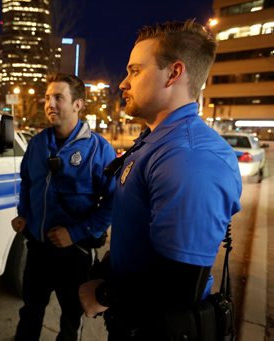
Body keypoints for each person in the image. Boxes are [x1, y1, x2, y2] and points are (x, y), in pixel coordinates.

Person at [78, 20, 242, 340]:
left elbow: (178, 283)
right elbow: (139, 232)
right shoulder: (157, 141)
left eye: (135, 71)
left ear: (174, 73)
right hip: (135, 320)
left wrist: (103, 295)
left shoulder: (190, 157)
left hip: (158, 329)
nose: (123, 83)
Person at [11, 72, 116, 341]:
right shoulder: (36, 144)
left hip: (74, 254)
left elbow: (113, 202)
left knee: (71, 318)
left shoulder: (98, 149)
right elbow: (27, 183)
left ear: (78, 104)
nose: (50, 104)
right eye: (47, 98)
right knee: (30, 311)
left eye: (58, 97)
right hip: (37, 249)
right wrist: (24, 214)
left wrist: (76, 233)